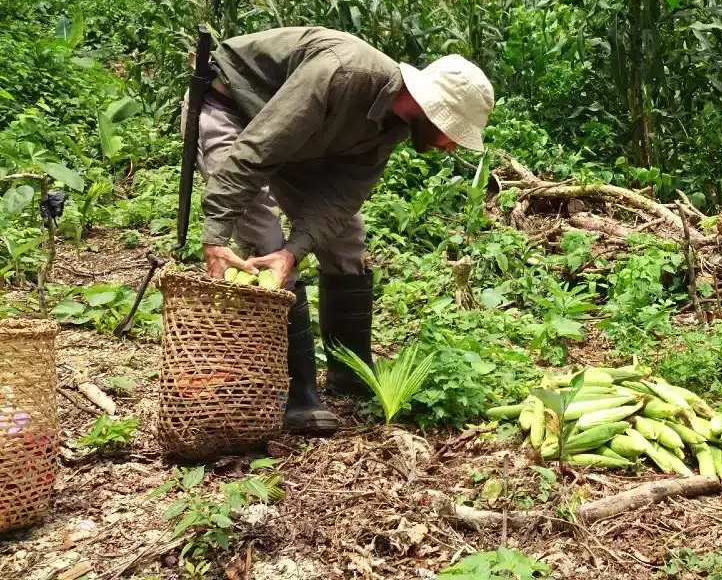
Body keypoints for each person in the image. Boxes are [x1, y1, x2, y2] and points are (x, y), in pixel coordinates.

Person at [181, 26, 495, 437]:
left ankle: (349, 370)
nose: (450, 146)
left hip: (303, 137)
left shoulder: (393, 124)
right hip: (234, 108)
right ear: (427, 106)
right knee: (262, 233)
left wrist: (295, 252)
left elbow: (341, 197)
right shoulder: (342, 74)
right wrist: (215, 236)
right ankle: (297, 390)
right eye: (451, 132)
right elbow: (259, 149)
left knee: (346, 237)